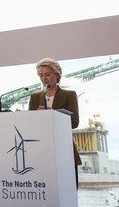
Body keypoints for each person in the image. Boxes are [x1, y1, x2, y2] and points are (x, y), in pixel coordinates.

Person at [28, 58, 81, 187]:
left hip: (64, 150)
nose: (44, 78)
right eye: (41, 75)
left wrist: (54, 113)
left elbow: (74, 122)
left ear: (57, 75)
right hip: (42, 150)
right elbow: (29, 124)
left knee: (68, 189)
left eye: (47, 74)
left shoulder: (69, 95)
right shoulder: (35, 97)